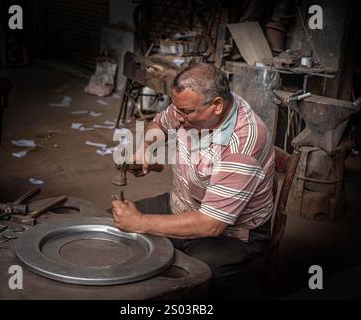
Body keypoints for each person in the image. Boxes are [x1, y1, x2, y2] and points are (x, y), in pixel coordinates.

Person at [111, 63, 275, 297]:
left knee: (194, 280)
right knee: (110, 224)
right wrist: (146, 146)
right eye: (176, 109)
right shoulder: (190, 107)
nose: (178, 117)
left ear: (217, 105)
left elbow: (211, 224)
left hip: (233, 233)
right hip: (183, 204)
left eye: (185, 112)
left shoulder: (242, 145)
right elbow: (160, 123)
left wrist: (140, 222)